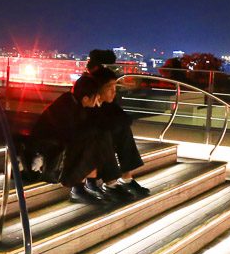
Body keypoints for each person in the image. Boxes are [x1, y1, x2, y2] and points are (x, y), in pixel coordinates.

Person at [30, 75, 122, 204]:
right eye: (96, 96)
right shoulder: (67, 107)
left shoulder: (73, 102)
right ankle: (82, 188)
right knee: (96, 139)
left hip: (58, 149)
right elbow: (71, 136)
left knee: (100, 135)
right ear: (85, 98)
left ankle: (106, 182)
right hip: (50, 156)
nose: (98, 99)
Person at [86, 66, 150, 198]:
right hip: (84, 143)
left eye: (115, 87)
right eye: (110, 88)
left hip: (98, 139)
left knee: (123, 129)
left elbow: (124, 119)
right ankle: (110, 183)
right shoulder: (87, 102)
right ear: (98, 88)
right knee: (104, 134)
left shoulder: (108, 103)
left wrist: (116, 124)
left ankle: (126, 178)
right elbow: (92, 128)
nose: (114, 91)